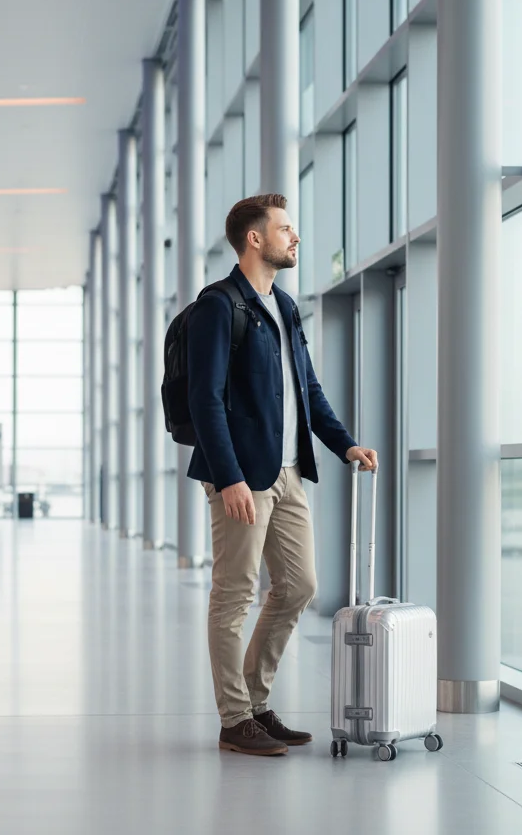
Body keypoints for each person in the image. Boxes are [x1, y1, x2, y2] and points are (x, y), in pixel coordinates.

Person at [186, 193, 378, 757]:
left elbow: (306, 389)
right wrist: (229, 478)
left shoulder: (286, 306)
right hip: (241, 476)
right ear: (254, 238)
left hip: (290, 472)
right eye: (285, 229)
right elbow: (205, 401)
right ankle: (234, 719)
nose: (294, 238)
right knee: (234, 596)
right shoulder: (218, 306)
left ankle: (256, 703)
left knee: (299, 587)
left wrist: (343, 444)